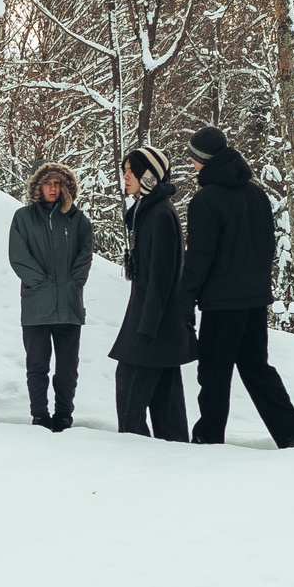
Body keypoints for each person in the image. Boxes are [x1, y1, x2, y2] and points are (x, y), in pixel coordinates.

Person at [177, 127, 294, 448]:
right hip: (254, 299)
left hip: (221, 303)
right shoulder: (256, 195)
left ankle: (207, 438)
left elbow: (199, 257)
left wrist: (184, 300)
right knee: (257, 368)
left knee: (213, 373)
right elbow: (267, 246)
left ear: (202, 159)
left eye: (193, 158)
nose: (192, 164)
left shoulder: (205, 200)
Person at [110, 146, 194, 441]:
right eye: (125, 170)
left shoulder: (158, 214)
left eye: (133, 170)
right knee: (166, 400)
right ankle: (174, 453)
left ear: (150, 175)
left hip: (152, 324)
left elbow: (161, 276)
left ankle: (135, 452)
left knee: (130, 386)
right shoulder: (149, 212)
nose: (126, 176)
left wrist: (147, 326)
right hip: (159, 322)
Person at [10, 162, 92, 432]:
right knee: (37, 367)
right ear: (38, 186)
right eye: (48, 183)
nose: (53, 188)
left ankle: (64, 415)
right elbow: (19, 258)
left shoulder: (77, 219)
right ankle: (39, 416)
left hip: (69, 306)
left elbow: (84, 256)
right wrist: (43, 284)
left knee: (67, 369)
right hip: (36, 307)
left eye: (58, 183)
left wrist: (72, 284)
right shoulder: (23, 218)